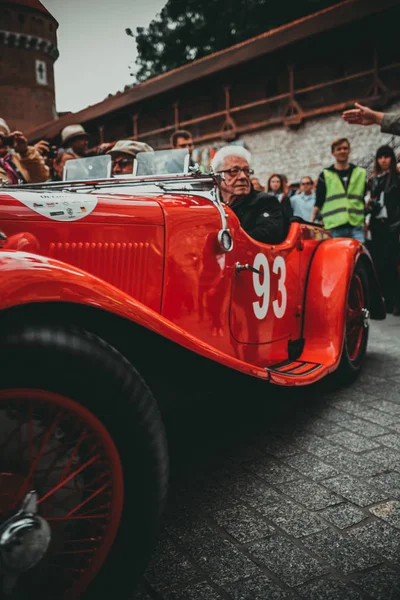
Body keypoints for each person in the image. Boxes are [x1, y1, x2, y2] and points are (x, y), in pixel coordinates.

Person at [211, 146, 287, 244]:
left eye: (246, 171)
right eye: (234, 171)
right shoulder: (211, 205)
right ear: (217, 176)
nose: (243, 176)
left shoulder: (266, 202)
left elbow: (269, 235)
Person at [311, 137, 367, 241]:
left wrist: (365, 223)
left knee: (358, 256)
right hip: (334, 226)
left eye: (345, 148)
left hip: (356, 225)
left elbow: (362, 199)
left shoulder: (360, 173)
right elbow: (319, 201)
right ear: (333, 153)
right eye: (339, 149)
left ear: (349, 150)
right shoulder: (325, 175)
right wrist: (312, 222)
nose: (342, 151)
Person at [367, 145, 400, 315]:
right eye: (380, 158)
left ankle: (396, 301)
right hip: (377, 225)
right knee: (379, 264)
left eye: (386, 157)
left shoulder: (397, 177)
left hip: (393, 224)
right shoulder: (374, 179)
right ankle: (386, 300)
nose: (383, 161)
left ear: (391, 159)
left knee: (392, 263)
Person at [0, 118, 49, 184]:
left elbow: (41, 178)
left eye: (4, 136)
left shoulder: (15, 159)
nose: (1, 141)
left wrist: (25, 152)